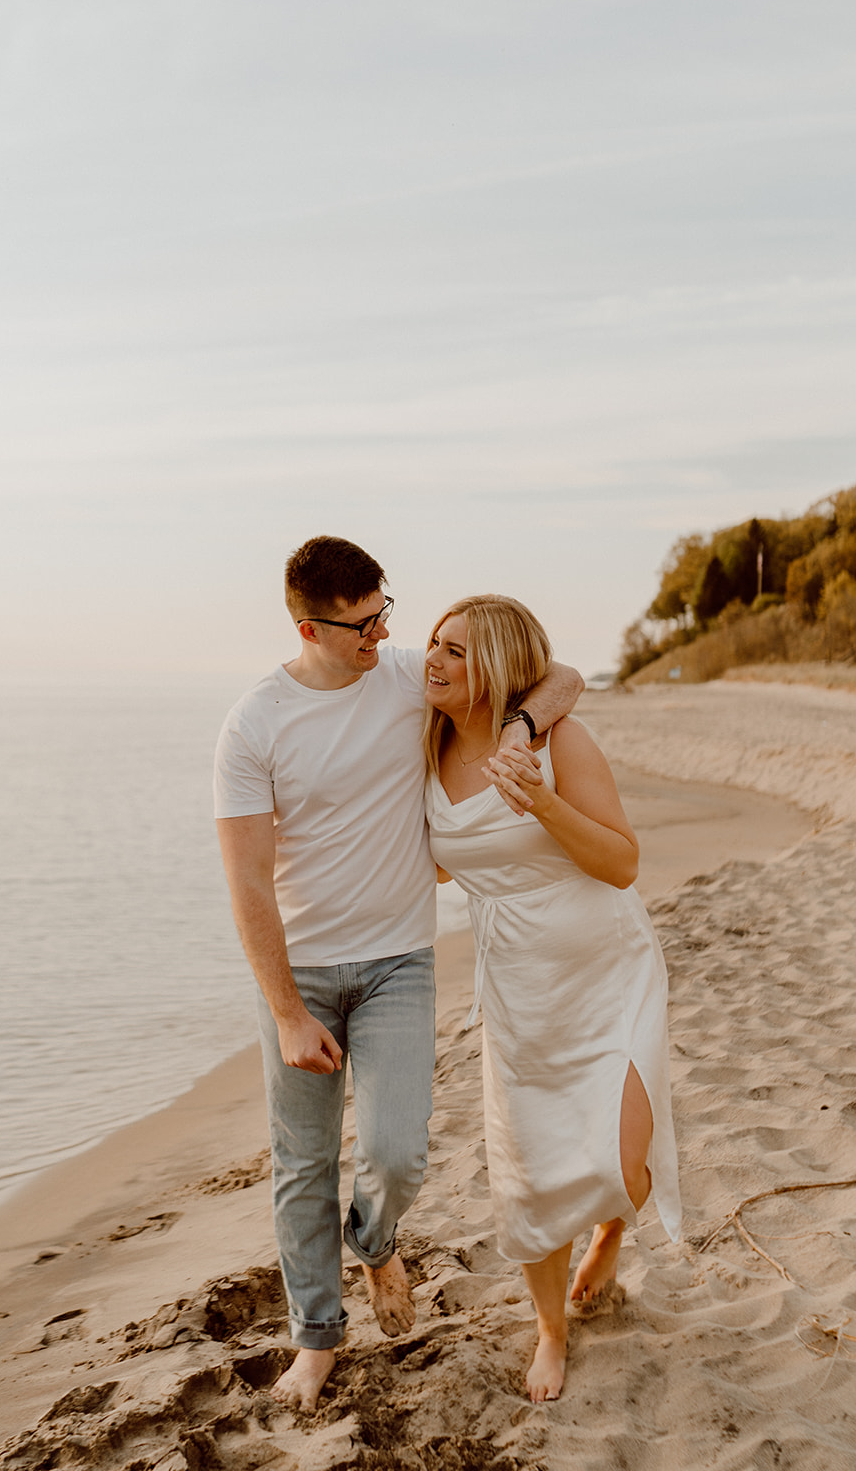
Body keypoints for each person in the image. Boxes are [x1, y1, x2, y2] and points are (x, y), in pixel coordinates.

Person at [213, 538, 583, 1410]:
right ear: (308, 626)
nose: (384, 633)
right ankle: (315, 1339)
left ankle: (375, 1243)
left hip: (397, 966)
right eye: (363, 623)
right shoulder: (253, 724)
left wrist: (525, 726)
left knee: (395, 1150)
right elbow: (245, 882)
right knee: (302, 1164)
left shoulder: (409, 674)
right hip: (298, 974)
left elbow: (560, 674)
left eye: (387, 612)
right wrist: (286, 1011)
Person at [423, 594, 681, 1403]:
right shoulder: (419, 741)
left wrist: (539, 799)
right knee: (530, 1174)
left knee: (623, 1163)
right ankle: (549, 1333)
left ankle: (609, 1229)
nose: (432, 658)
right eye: (433, 641)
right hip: (517, 988)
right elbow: (433, 865)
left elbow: (619, 862)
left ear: (497, 668)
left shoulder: (560, 739)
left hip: (608, 971)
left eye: (456, 650)